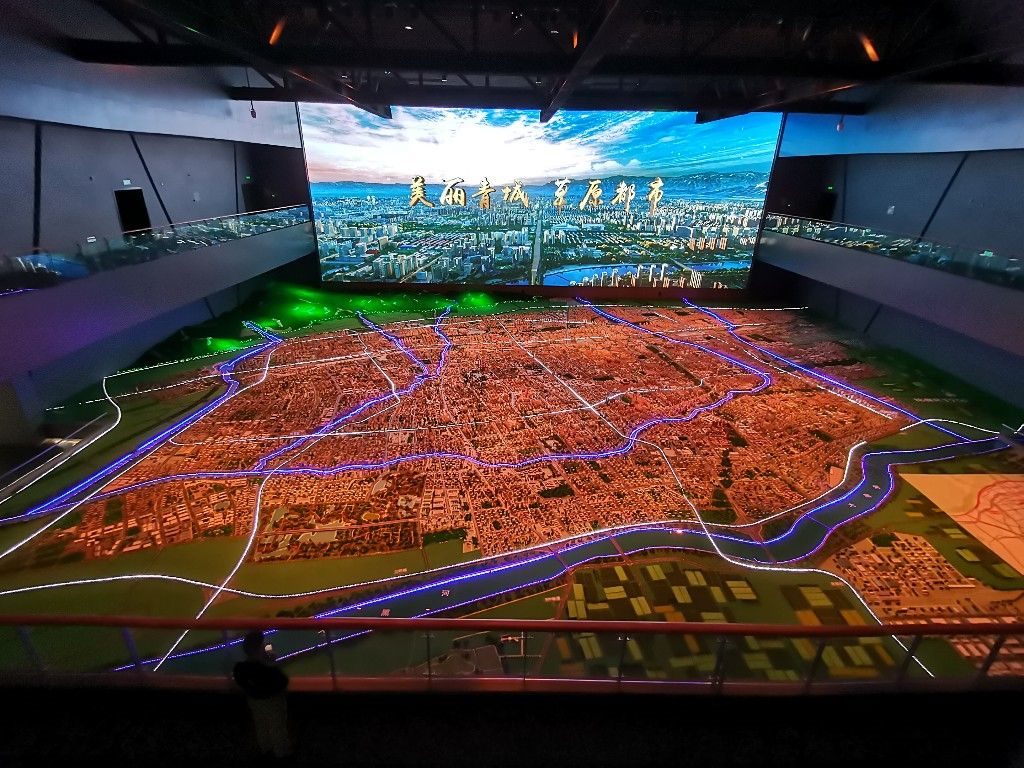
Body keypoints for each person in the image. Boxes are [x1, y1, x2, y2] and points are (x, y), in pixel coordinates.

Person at [233, 629, 292, 761]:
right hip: (273, 702)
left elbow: (242, 679)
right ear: (260, 649)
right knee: (277, 728)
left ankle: (266, 750)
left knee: (261, 726)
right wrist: (271, 662)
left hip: (254, 701)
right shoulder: (266, 670)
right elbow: (282, 681)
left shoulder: (240, 668)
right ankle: (281, 754)